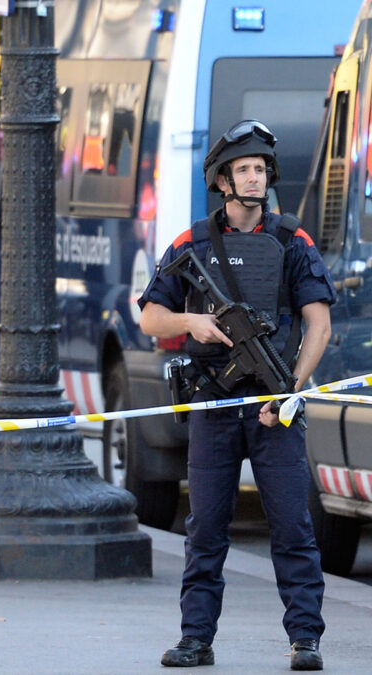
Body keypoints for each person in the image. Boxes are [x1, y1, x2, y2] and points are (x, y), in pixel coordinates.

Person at [137, 120, 334, 671]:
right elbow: (150, 316)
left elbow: (318, 325)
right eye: (243, 169)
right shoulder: (192, 242)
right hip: (213, 403)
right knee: (205, 528)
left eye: (260, 169)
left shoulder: (293, 239)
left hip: (277, 406)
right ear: (223, 181)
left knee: (293, 525)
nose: (254, 177)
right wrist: (192, 322)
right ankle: (196, 639)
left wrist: (290, 391)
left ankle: (305, 639)